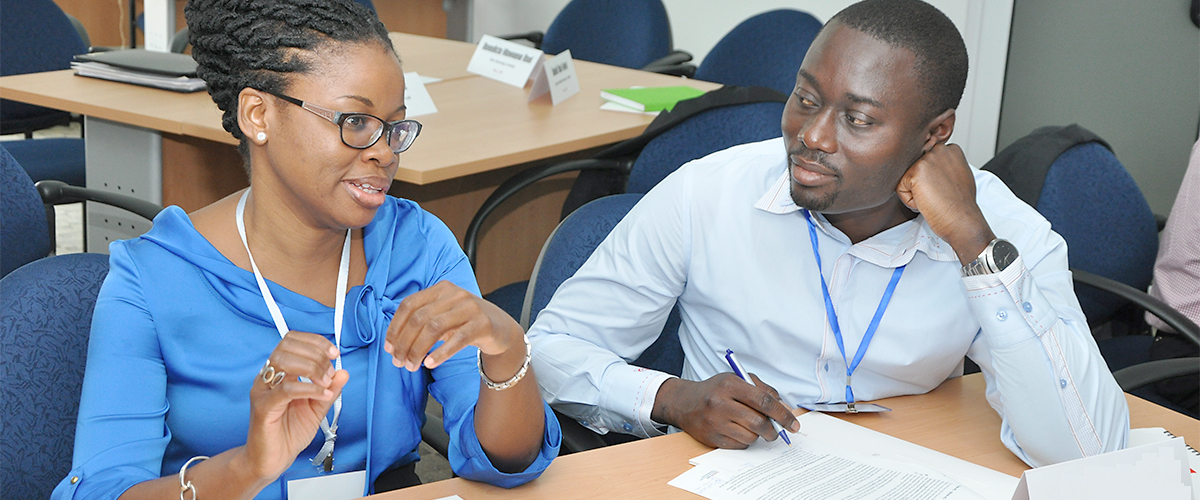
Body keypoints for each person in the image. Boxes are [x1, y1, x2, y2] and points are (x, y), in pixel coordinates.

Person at [528, 0, 1127, 468]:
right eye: (804, 97)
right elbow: (547, 351)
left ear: (934, 133)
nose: (811, 135)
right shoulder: (706, 194)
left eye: (858, 119)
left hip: (908, 469)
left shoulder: (1000, 228)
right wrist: (668, 397)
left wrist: (974, 249)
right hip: (729, 471)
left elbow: (1087, 450)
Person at [52, 1, 559, 499]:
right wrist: (250, 467)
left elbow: (506, 462)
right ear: (258, 114)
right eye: (355, 122)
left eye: (394, 127)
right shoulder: (153, 278)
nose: (383, 152)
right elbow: (104, 490)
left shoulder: (417, 247)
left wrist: (506, 348)